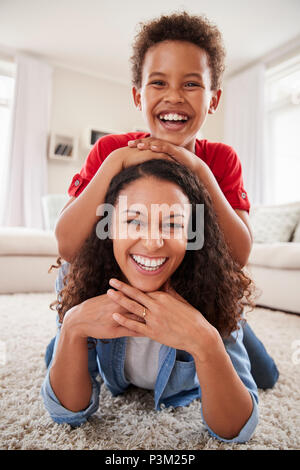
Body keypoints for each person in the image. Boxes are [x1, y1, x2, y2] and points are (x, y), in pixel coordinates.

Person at [50, 12, 278, 389]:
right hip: (124, 286)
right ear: (139, 95)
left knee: (265, 375)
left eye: (191, 84)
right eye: (159, 83)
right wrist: (113, 164)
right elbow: (67, 245)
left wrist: (198, 171)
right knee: (59, 359)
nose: (174, 96)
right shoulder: (110, 150)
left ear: (214, 98)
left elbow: (238, 256)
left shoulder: (220, 159)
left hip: (199, 296)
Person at [42, 159, 259, 443]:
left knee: (266, 373)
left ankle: (245, 336)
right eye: (133, 221)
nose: (153, 242)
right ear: (109, 228)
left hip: (218, 314)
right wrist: (71, 327)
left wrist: (207, 342)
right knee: (53, 356)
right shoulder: (81, 275)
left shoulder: (216, 284)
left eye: (173, 224)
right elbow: (66, 413)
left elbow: (236, 430)